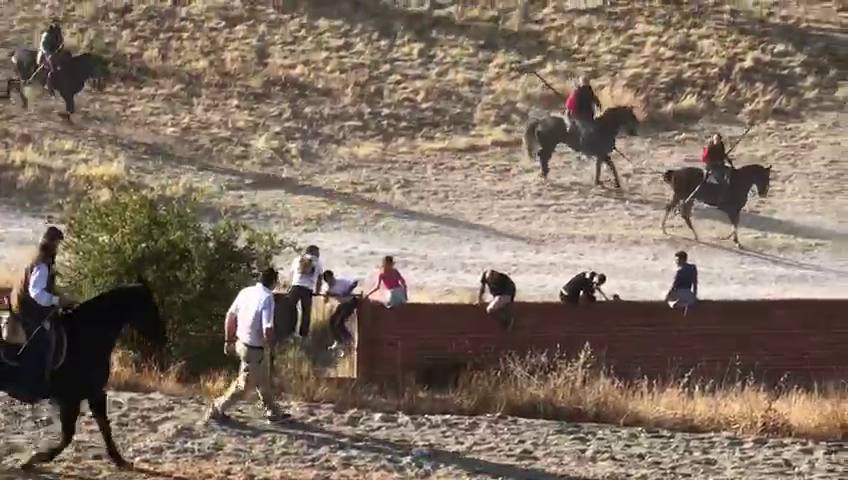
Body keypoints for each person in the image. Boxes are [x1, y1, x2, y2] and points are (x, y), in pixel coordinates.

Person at [207, 267, 287, 423]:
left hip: (241, 343)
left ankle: (273, 412)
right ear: (274, 282)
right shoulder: (267, 297)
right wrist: (273, 346)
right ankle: (217, 408)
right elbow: (267, 328)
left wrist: (228, 340)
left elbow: (230, 316)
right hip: (254, 349)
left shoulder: (246, 292)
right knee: (244, 386)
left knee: (263, 379)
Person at [8, 226, 74, 402]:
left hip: (24, 304)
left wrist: (59, 295)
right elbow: (37, 293)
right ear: (51, 243)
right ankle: (35, 385)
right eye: (57, 243)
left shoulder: (39, 259)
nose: (58, 247)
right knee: (44, 338)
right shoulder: (42, 265)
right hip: (28, 308)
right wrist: (56, 301)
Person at [288, 245, 323, 338]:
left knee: (290, 309)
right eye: (318, 252)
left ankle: (290, 331)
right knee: (306, 313)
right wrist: (318, 291)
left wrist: (289, 287)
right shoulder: (318, 262)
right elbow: (320, 278)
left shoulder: (297, 259)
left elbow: (291, 274)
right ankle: (303, 335)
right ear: (313, 252)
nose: (319, 254)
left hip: (295, 286)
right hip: (307, 289)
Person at [322, 270, 359, 354]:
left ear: (333, 277)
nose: (330, 282)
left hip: (351, 301)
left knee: (339, 322)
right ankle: (338, 341)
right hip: (342, 303)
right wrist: (326, 295)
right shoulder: (326, 288)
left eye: (331, 279)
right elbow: (325, 301)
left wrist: (348, 291)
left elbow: (355, 282)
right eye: (328, 281)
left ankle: (349, 340)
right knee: (331, 321)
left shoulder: (341, 281)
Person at [565, 76, 602, 145]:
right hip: (580, 116)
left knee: (593, 130)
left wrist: (598, 105)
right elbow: (570, 106)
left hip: (588, 115)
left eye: (587, 82)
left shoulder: (589, 91)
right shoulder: (577, 92)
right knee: (587, 131)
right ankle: (584, 148)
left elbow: (595, 100)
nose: (586, 83)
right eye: (585, 82)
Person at [698, 133, 735, 199]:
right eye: (716, 139)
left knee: (730, 172)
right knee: (722, 182)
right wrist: (716, 162)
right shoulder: (710, 148)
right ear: (713, 139)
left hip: (720, 166)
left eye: (718, 139)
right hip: (712, 167)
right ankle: (721, 196)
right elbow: (705, 159)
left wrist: (730, 163)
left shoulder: (721, 146)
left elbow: (723, 155)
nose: (717, 141)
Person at [37, 20, 65, 95]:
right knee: (52, 69)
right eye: (56, 25)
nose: (58, 26)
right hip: (46, 52)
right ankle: (50, 88)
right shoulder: (47, 34)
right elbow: (43, 45)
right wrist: (49, 54)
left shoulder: (59, 33)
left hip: (56, 52)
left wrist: (61, 48)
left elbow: (61, 42)